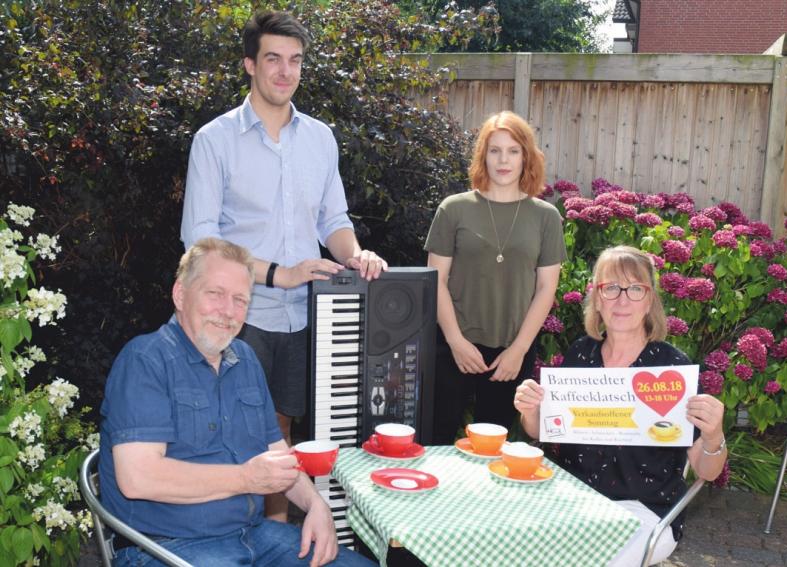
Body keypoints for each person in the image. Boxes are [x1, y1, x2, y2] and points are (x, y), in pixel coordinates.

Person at [180, 10, 386, 520]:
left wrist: (353, 252)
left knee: (283, 433)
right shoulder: (214, 140)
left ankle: (273, 535)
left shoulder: (320, 138)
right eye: (273, 59)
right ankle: (226, 534)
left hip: (303, 316)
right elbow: (200, 240)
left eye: (294, 61)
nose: (284, 71)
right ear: (250, 64)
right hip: (237, 314)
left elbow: (333, 218)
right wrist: (279, 273)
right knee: (231, 431)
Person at [99, 238, 376, 567]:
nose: (228, 311)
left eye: (240, 300)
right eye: (214, 294)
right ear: (180, 294)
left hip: (253, 537)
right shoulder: (146, 360)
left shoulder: (244, 359)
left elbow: (278, 456)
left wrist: (316, 505)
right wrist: (246, 478)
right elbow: (139, 478)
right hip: (166, 547)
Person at [514, 245, 727, 566]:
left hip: (645, 510)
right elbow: (543, 429)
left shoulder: (671, 369)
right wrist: (531, 410)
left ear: (650, 300)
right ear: (598, 299)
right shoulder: (580, 355)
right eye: (611, 288)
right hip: (572, 501)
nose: (622, 299)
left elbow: (706, 472)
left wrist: (713, 436)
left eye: (635, 289)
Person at [424, 111, 566, 444]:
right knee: (437, 443)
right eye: (495, 150)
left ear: (526, 157)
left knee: (494, 450)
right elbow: (436, 280)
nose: (504, 160)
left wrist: (519, 350)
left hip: (511, 354)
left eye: (513, 151)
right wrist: (457, 342)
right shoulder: (453, 209)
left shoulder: (546, 217)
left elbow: (546, 289)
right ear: (483, 156)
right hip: (452, 348)